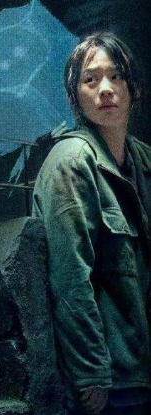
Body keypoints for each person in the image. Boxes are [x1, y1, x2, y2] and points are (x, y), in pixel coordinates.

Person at [33, 32, 150, 415]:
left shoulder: (143, 160)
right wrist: (91, 374)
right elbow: (69, 276)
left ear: (134, 87)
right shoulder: (71, 162)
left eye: (116, 76)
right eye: (90, 79)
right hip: (112, 382)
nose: (106, 89)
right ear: (74, 96)